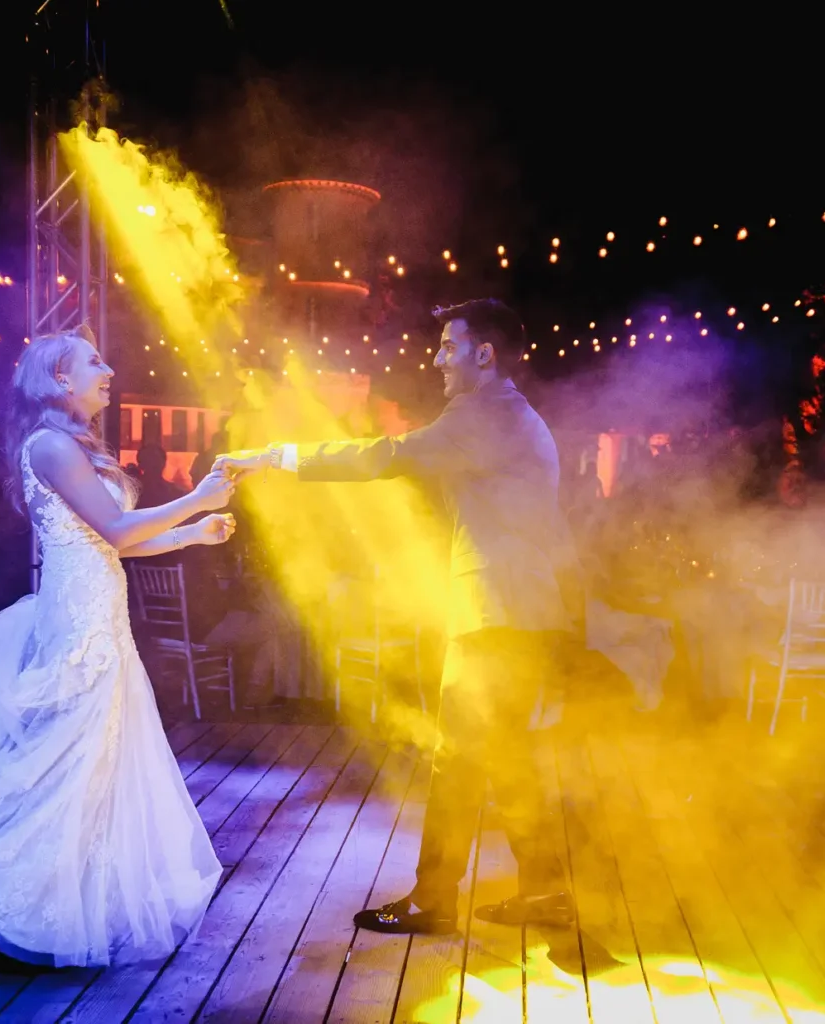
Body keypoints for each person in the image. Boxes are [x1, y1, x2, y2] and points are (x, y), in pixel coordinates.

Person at [0, 326, 238, 966]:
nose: (107, 368)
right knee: (62, 759)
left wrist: (193, 533)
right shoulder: (51, 445)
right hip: (79, 625)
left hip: (100, 616)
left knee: (91, 761)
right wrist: (194, 497)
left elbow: (122, 542)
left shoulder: (75, 445)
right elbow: (114, 525)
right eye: (93, 361)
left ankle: (61, 898)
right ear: (59, 378)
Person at [216, 299, 579, 935]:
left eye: (448, 347)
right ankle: (545, 892)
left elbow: (385, 455)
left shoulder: (484, 414)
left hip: (495, 612)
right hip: (522, 609)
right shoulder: (515, 415)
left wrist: (278, 457)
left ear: (484, 354)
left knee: (457, 758)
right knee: (510, 757)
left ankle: (434, 899)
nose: (437, 359)